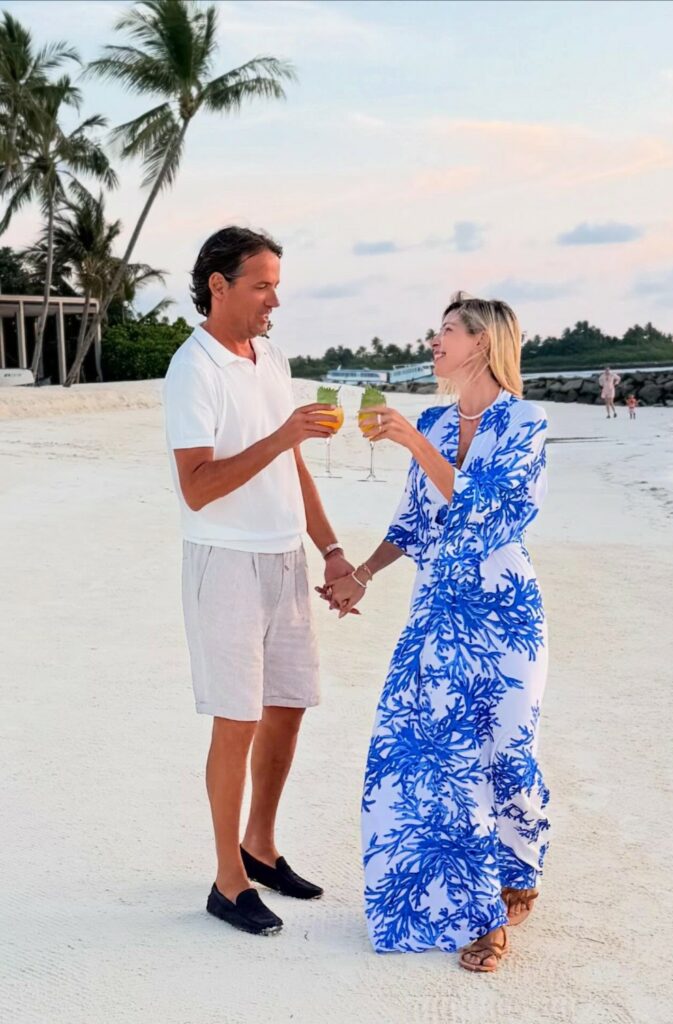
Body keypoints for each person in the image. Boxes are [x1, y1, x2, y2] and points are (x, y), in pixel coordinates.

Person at [325, 293, 550, 973]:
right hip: (436, 614)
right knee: (430, 760)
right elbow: (414, 523)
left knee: (507, 755)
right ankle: (479, 915)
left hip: (504, 615)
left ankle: (519, 869)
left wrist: (414, 443)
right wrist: (362, 573)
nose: (434, 340)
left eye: (447, 330)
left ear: (482, 342)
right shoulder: (430, 420)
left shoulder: (525, 420)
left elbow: (488, 512)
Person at [163, 226, 356, 936]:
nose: (275, 300)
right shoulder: (194, 369)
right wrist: (282, 436)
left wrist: (331, 549)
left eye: (277, 285)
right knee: (237, 719)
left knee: (287, 706)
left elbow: (291, 465)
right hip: (225, 562)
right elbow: (197, 487)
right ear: (219, 286)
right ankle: (227, 879)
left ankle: (261, 846)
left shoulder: (270, 355)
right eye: (262, 286)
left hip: (285, 558)